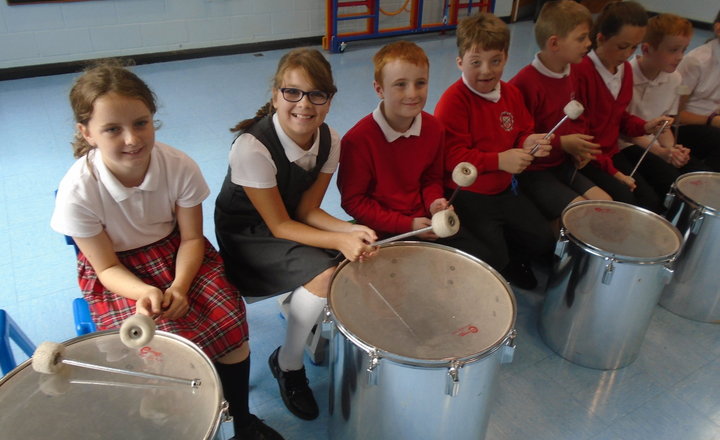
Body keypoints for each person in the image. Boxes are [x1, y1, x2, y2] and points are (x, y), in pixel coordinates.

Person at [50, 61, 282, 440]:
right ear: (87, 133)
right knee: (159, 350)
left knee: (227, 320)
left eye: (141, 123)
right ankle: (181, 422)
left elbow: (192, 239)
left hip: (179, 254)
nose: (132, 139)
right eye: (112, 129)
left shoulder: (178, 166)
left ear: (153, 118)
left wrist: (179, 286)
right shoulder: (78, 193)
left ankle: (242, 419)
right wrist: (146, 293)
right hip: (120, 274)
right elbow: (105, 267)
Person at [214, 48, 376, 421]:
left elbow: (307, 210)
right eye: (292, 92)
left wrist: (352, 230)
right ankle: (288, 364)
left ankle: (304, 311)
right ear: (275, 96)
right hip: (248, 233)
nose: (304, 104)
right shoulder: (251, 147)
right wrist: (339, 239)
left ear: (330, 100)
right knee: (328, 267)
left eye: (317, 94)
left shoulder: (330, 140)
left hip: (287, 218)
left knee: (348, 252)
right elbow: (279, 227)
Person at [337, 40, 492, 260]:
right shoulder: (358, 140)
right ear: (379, 89)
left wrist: (434, 203)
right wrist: (407, 225)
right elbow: (354, 202)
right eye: (400, 84)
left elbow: (431, 178)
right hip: (381, 231)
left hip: (423, 222)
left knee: (484, 257)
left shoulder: (434, 128)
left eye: (420, 83)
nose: (412, 93)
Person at [434, 12, 556, 291]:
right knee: (494, 258)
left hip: (503, 189)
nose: (486, 71)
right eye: (476, 63)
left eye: (496, 61)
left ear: (506, 58)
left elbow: (523, 129)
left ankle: (514, 259)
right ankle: (504, 259)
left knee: (542, 238)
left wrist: (528, 142)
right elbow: (454, 158)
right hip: (469, 194)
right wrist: (500, 160)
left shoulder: (511, 93)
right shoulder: (453, 102)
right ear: (460, 62)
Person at [510, 0, 611, 222]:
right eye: (581, 38)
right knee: (582, 215)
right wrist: (563, 143)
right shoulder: (525, 83)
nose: (588, 43)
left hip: (562, 164)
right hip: (534, 172)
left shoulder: (571, 73)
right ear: (554, 43)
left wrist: (579, 149)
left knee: (606, 207)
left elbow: (578, 117)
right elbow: (520, 137)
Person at [573, 1, 677, 213]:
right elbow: (581, 138)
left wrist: (646, 126)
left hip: (610, 154)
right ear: (600, 38)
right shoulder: (581, 72)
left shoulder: (624, 70)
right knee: (628, 206)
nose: (629, 53)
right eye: (623, 46)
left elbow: (620, 118)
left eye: (634, 47)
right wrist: (615, 173)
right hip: (588, 160)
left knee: (652, 200)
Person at [622, 13, 709, 176]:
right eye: (673, 50)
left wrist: (672, 149)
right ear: (646, 49)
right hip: (626, 145)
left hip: (653, 145)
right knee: (668, 180)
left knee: (699, 174)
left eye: (684, 49)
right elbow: (623, 131)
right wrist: (661, 152)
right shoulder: (625, 75)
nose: (680, 57)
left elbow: (664, 127)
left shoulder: (674, 78)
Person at [676, 9, 720, 171]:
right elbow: (675, 115)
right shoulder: (697, 61)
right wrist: (712, 120)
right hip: (684, 128)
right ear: (718, 29)